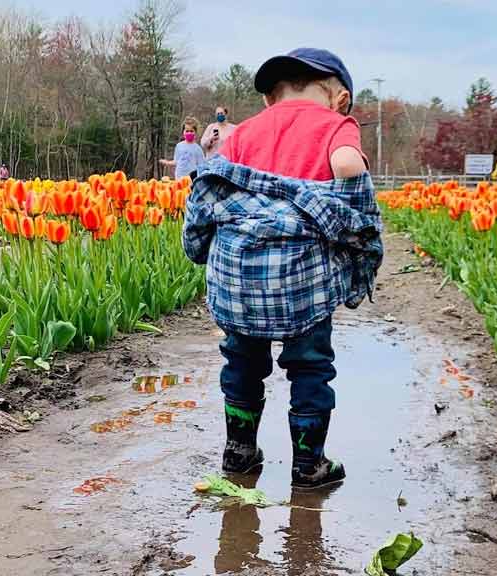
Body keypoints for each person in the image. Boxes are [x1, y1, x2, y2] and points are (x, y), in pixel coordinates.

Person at [183, 47, 382, 490]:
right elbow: (347, 166)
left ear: (270, 100)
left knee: (241, 360)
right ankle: (309, 464)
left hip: (241, 278)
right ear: (340, 98)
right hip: (303, 278)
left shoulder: (246, 131)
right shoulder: (337, 125)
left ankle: (239, 451)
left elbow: (214, 185)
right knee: (310, 366)